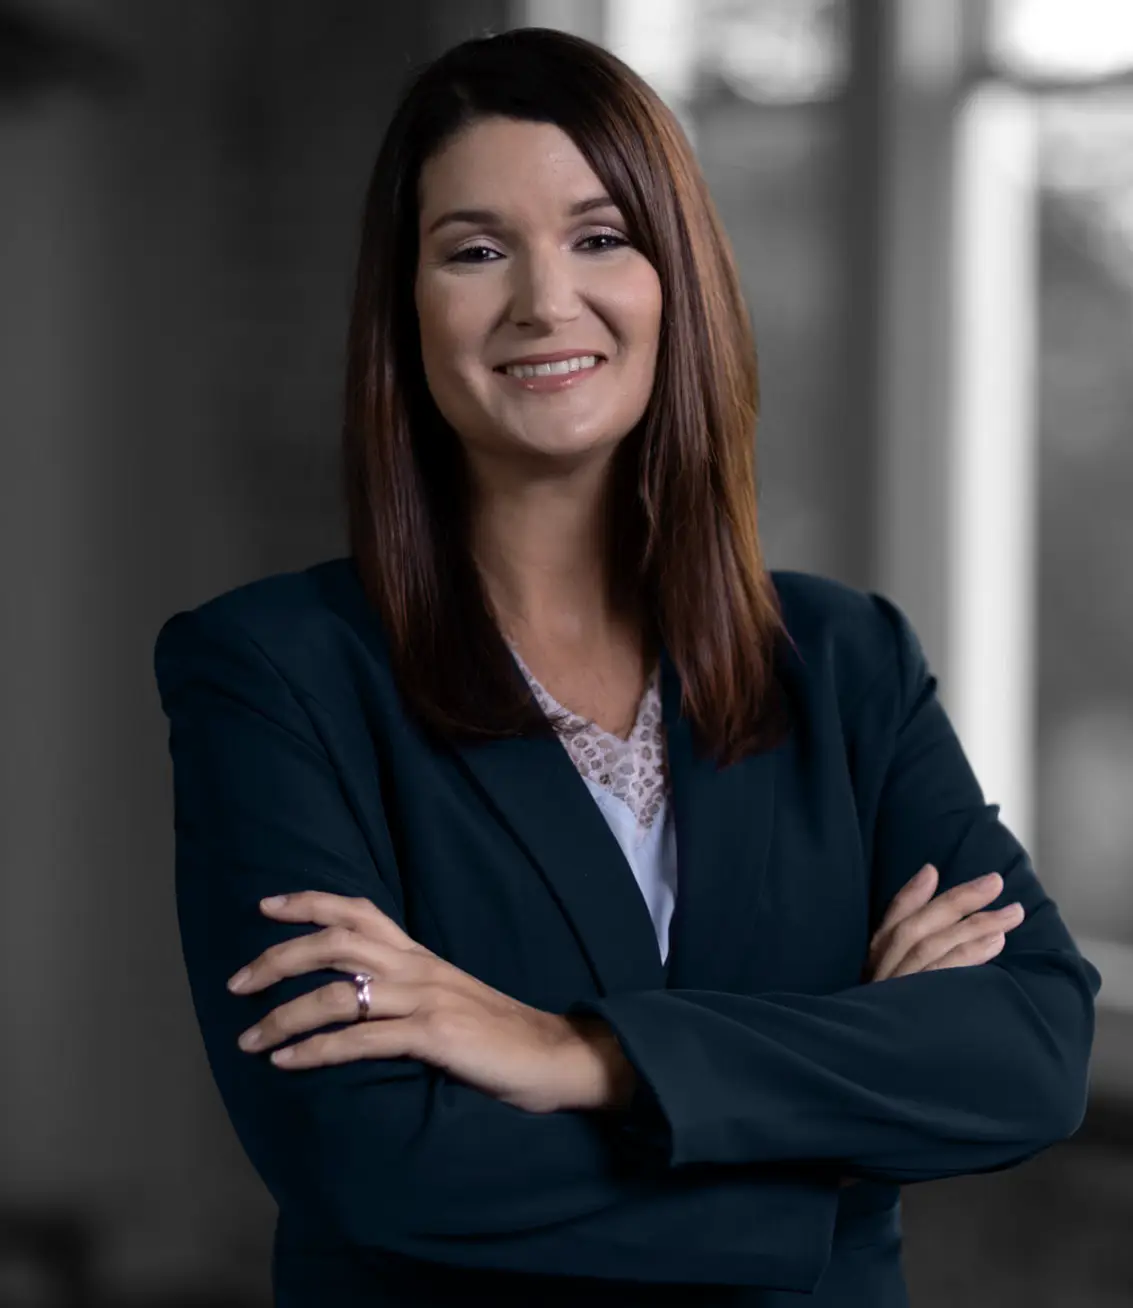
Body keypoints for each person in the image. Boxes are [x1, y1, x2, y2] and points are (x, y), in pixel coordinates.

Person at [152, 26, 1101, 1308]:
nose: (547, 300)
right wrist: (834, 1146)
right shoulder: (274, 675)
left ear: (677, 280)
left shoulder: (844, 661)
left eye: (600, 236)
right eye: (475, 251)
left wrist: (577, 1054)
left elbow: (1030, 1053)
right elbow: (375, 1163)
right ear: (405, 310)